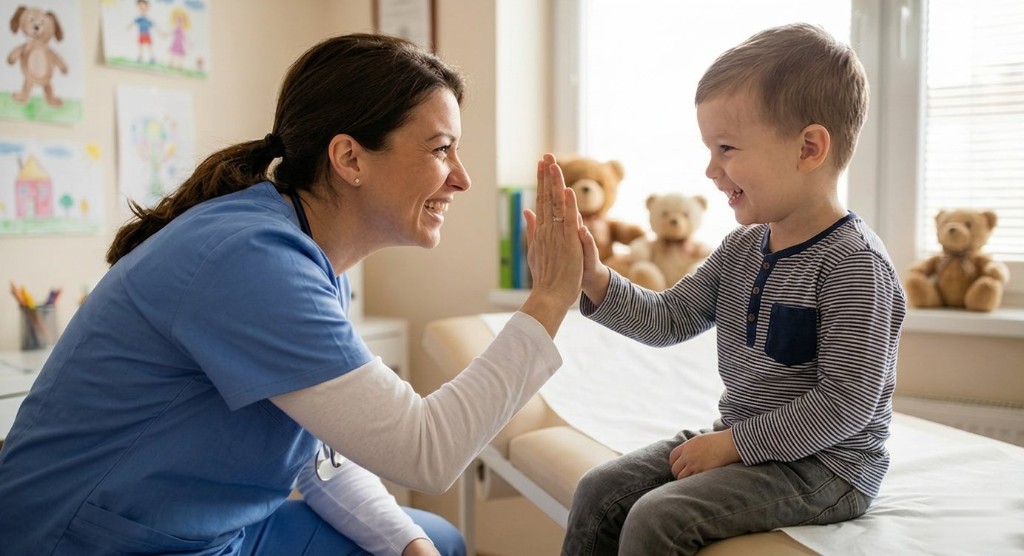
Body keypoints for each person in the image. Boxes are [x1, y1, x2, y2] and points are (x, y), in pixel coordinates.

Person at [0, 33, 586, 556]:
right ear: (350, 158)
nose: (461, 177)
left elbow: (323, 448)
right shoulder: (251, 261)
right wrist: (548, 300)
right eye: (440, 149)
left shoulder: (302, 252)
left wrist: (408, 545)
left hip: (209, 527)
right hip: (89, 537)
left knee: (437, 540)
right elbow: (425, 450)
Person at [560, 23, 907, 555]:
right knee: (599, 492)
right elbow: (669, 319)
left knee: (659, 518)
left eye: (726, 148)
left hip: (828, 465)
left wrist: (734, 445)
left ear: (809, 148)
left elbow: (844, 404)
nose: (710, 169)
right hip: (748, 442)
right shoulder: (743, 247)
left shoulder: (855, 266)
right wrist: (595, 278)